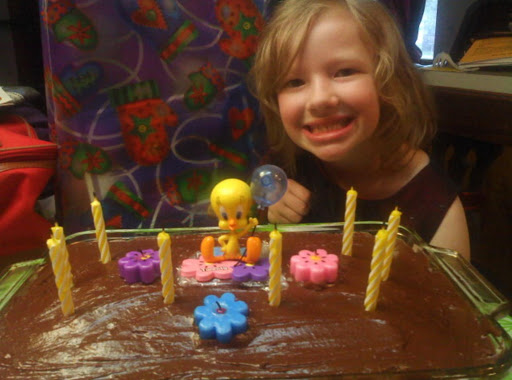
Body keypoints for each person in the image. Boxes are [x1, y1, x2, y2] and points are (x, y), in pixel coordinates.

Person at [250, 0, 470, 259]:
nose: (320, 99)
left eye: (344, 72)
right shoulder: (289, 168)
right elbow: (252, 223)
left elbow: (448, 298)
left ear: (388, 81)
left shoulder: (436, 206)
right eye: (295, 81)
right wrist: (268, 204)